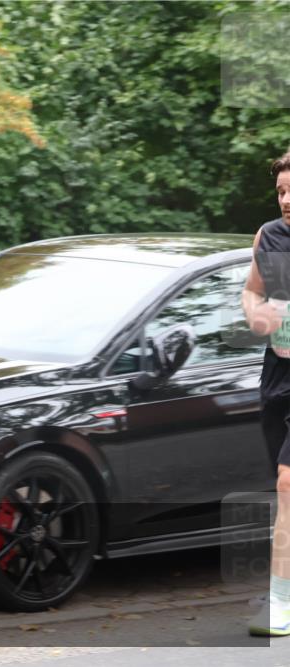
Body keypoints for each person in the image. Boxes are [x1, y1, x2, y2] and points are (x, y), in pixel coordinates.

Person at [245, 149, 290, 637]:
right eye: (280, 190)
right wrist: (255, 313)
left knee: (287, 483)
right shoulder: (269, 236)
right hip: (278, 377)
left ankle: (280, 603)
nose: (286, 200)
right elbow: (251, 290)